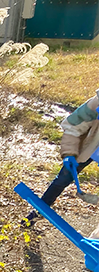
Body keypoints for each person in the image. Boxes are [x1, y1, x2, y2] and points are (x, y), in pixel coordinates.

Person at [25, 89, 99, 224]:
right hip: (90, 147)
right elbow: (73, 126)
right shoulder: (95, 104)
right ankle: (36, 214)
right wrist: (69, 153)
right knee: (61, 181)